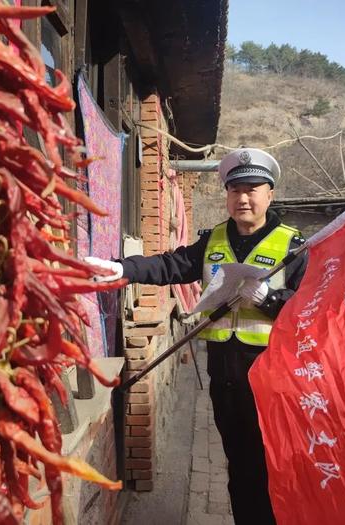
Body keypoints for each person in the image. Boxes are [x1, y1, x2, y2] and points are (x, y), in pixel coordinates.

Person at [86, 148, 308, 524]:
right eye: (235, 189)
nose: (243, 198)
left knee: (272, 464)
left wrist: (271, 300)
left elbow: (309, 310)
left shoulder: (293, 246)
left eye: (253, 188)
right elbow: (170, 265)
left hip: (270, 379)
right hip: (223, 377)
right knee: (238, 463)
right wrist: (121, 268)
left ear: (270, 194)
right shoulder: (214, 240)